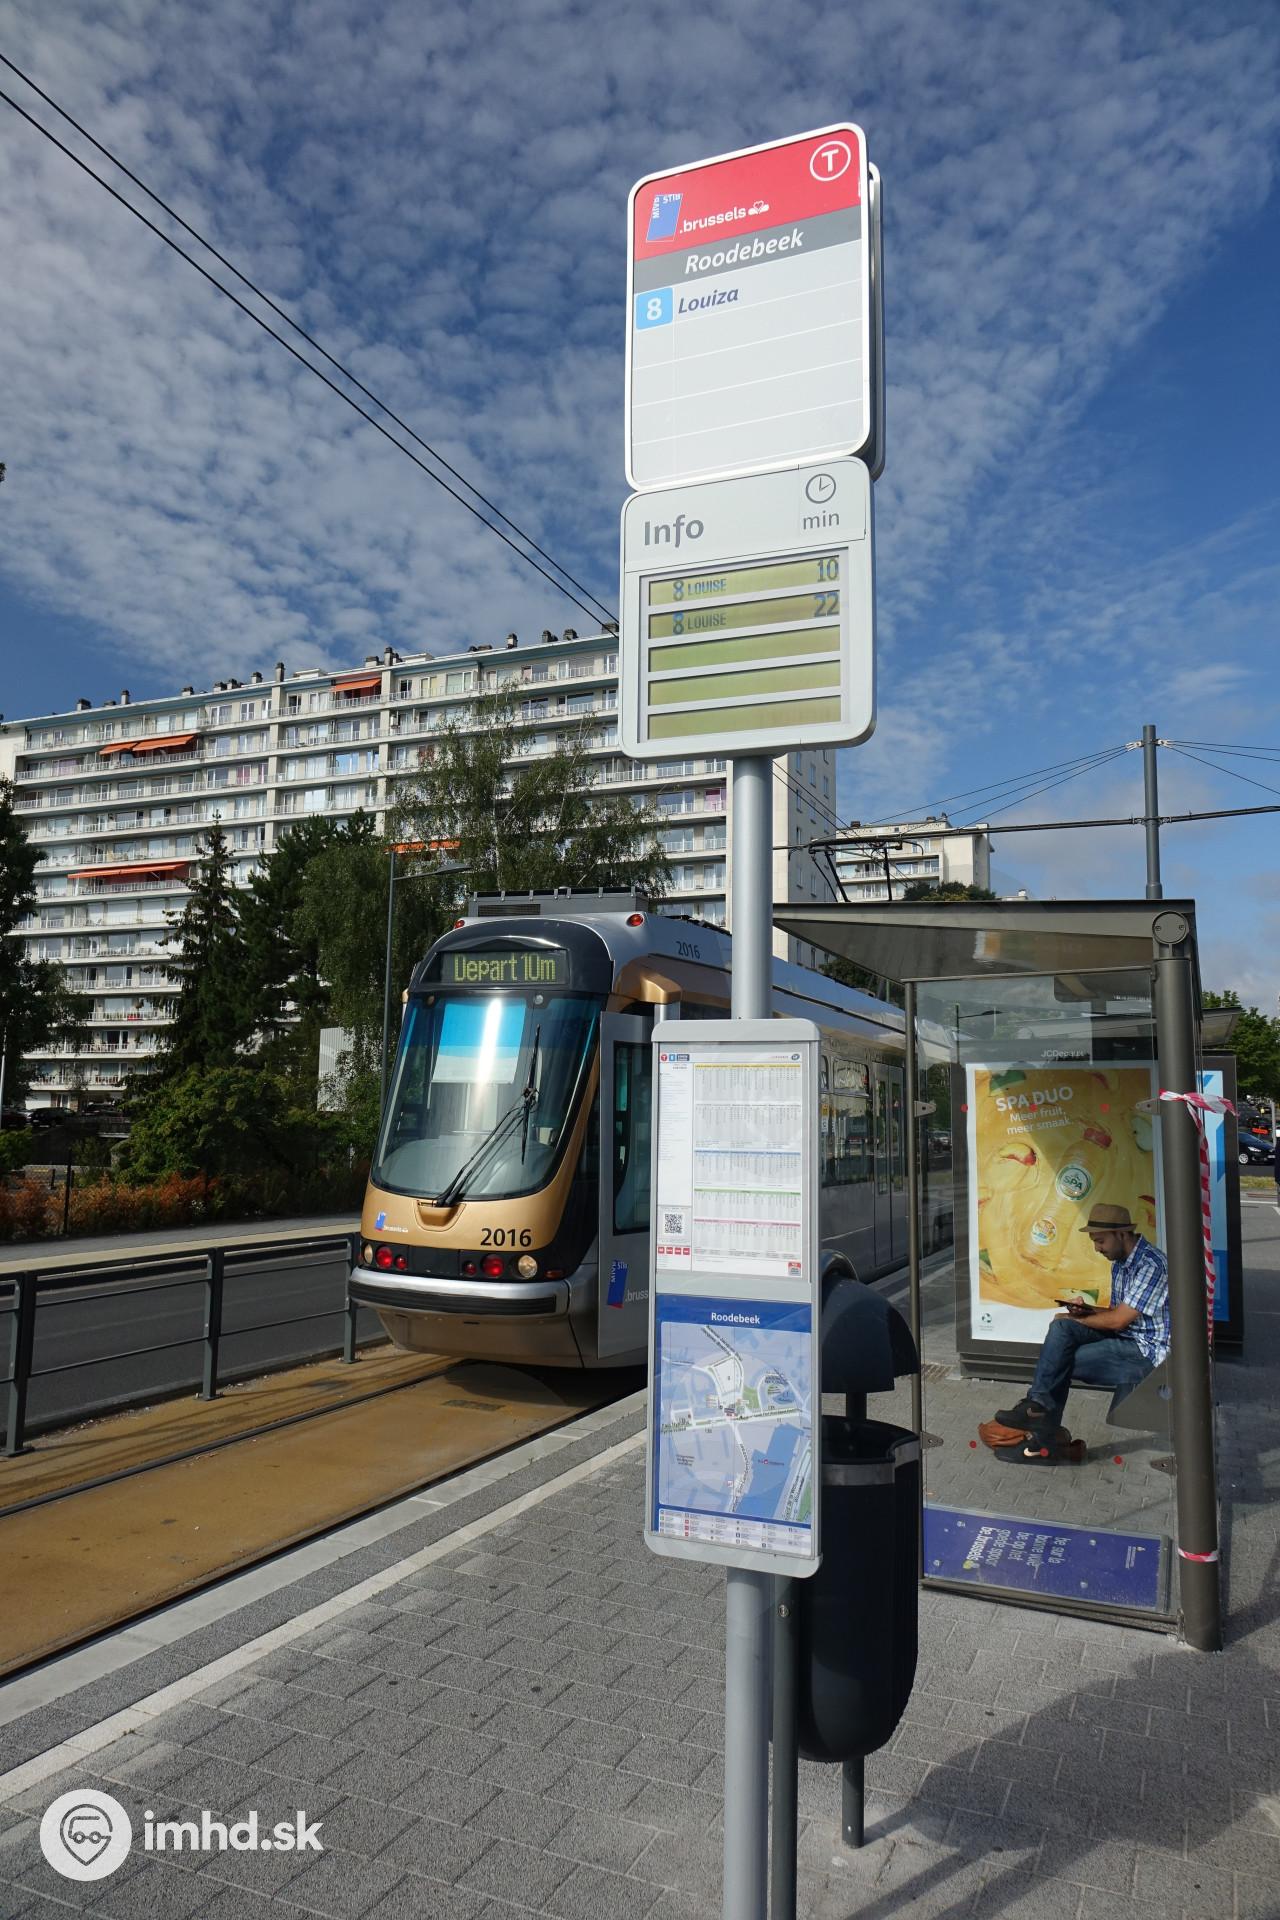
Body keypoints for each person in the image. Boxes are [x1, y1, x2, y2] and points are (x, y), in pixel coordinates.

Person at [991, 1202, 1169, 1465]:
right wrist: (1086, 1311)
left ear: (1122, 1234)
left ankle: (1043, 1439)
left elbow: (1119, 1320)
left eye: (1100, 1241)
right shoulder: (1121, 1262)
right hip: (1126, 1335)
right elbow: (1118, 1312)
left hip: (1146, 1350)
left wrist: (1078, 1318)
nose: (1097, 1248)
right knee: (1061, 1329)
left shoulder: (1151, 1265)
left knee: (1059, 1361)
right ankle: (1037, 1408)